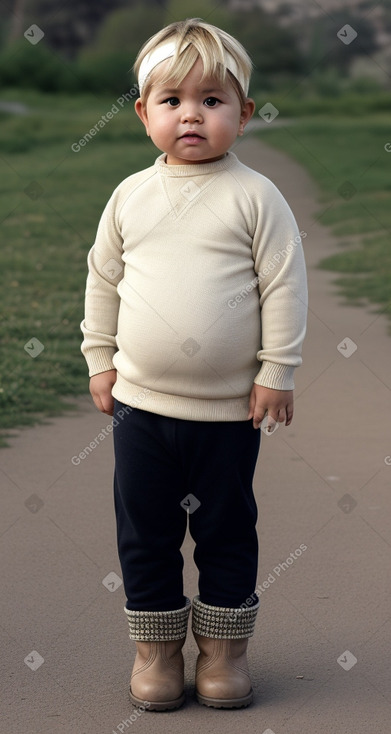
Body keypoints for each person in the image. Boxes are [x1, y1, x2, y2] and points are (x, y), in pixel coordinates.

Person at [80, 17, 307, 712]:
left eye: (211, 101)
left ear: (241, 115)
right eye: (172, 100)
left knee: (225, 528)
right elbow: (103, 279)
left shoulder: (255, 196)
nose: (191, 115)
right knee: (144, 530)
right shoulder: (130, 195)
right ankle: (155, 653)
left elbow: (284, 284)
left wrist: (277, 370)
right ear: (143, 112)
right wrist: (99, 357)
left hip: (226, 413)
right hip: (141, 408)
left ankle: (222, 653)